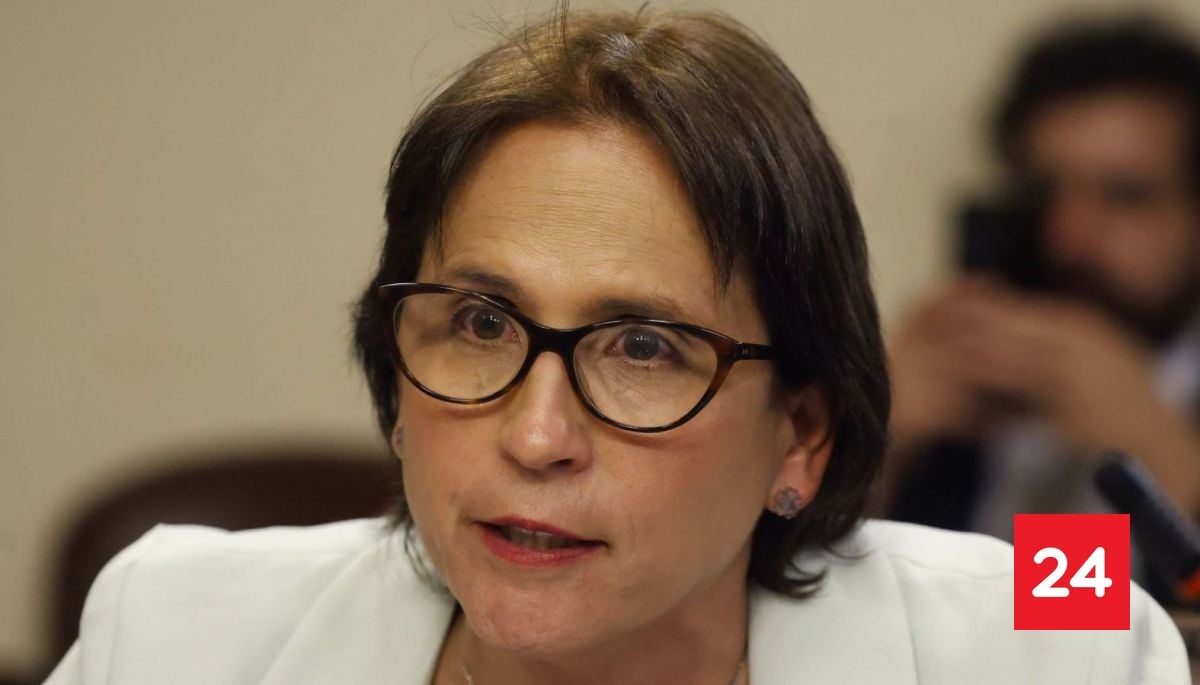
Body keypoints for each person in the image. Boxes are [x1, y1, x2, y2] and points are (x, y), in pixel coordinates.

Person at [45, 7, 1187, 684]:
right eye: (481, 323)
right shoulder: (171, 625)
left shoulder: (1054, 640)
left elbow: (1038, 591)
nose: (536, 434)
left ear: (802, 431)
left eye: (643, 346)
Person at [885, 16, 1200, 563]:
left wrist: (1169, 463)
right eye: (1045, 192)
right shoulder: (966, 396)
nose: (1068, 240)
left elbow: (1065, 608)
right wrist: (865, 448)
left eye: (1125, 196)